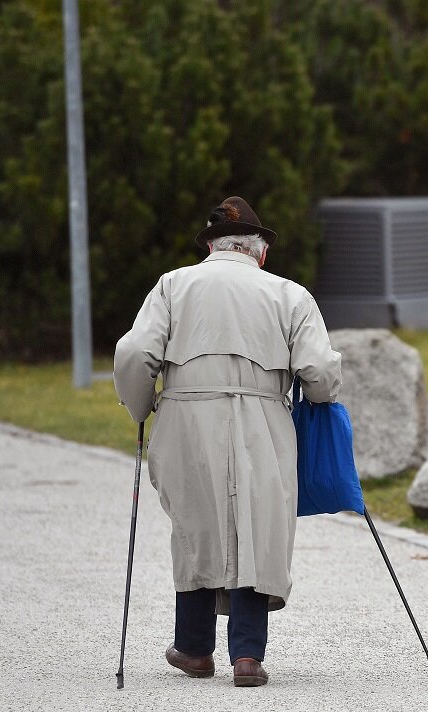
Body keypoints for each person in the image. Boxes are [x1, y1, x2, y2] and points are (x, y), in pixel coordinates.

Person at [114, 196, 342, 687]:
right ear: (260, 252)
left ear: (211, 247)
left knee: (196, 523)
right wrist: (323, 394)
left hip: (185, 415)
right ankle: (247, 656)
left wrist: (140, 406)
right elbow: (319, 372)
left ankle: (194, 649)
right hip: (261, 414)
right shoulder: (289, 294)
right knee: (257, 524)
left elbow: (134, 353)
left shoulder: (173, 285)